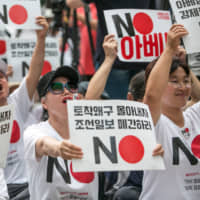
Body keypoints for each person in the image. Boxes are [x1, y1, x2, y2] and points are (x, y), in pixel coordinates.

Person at [85, 34, 163, 200]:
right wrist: (109, 60)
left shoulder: (173, 120)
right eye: (147, 99)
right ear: (130, 99)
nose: (155, 105)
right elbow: (88, 105)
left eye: (158, 99)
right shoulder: (119, 123)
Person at [139, 24, 200, 199]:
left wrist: (181, 64)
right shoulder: (155, 122)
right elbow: (151, 95)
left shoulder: (195, 116)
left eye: (186, 81)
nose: (182, 87)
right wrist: (168, 50)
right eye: (174, 81)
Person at [23, 66, 99, 200]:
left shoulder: (90, 129)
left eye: (71, 86)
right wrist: (58, 148)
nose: (66, 91)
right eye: (57, 87)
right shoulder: (33, 131)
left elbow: (93, 95)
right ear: (44, 103)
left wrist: (109, 59)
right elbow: (43, 144)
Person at [67, 0, 156, 99]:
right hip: (142, 52)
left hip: (116, 56)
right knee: (143, 108)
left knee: (116, 108)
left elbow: (72, 3)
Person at [1, 16, 49, 199]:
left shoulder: (16, 102)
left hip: (26, 186)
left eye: (2, 76)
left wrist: (41, 39)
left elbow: (34, 72)